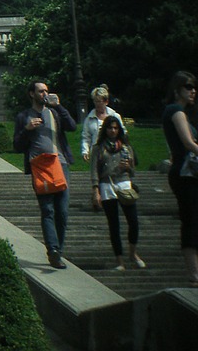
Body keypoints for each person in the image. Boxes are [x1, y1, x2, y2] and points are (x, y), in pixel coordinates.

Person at [13, 80, 78, 269]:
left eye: (46, 91)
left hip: (60, 164)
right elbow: (16, 145)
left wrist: (59, 105)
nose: (45, 94)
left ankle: (59, 249)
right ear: (32, 94)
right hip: (39, 167)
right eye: (41, 91)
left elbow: (72, 126)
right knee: (48, 210)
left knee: (63, 212)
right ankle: (53, 250)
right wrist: (27, 130)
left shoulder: (55, 113)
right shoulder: (24, 116)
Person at [91, 115, 145, 271]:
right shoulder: (98, 147)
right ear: (105, 130)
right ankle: (119, 260)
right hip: (107, 185)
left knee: (133, 221)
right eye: (110, 128)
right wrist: (96, 190)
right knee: (114, 225)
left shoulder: (126, 147)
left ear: (119, 129)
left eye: (115, 128)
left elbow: (133, 171)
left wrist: (127, 167)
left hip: (124, 183)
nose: (112, 131)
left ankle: (133, 253)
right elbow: (94, 170)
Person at [161, 70, 198, 285]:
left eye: (194, 87)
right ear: (177, 90)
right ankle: (194, 273)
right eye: (188, 87)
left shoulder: (178, 111)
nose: (193, 92)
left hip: (186, 173)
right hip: (186, 174)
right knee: (191, 220)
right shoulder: (175, 110)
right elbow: (188, 143)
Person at [80, 84, 123, 162]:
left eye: (99, 101)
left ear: (106, 101)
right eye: (95, 101)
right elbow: (86, 137)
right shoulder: (89, 119)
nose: (97, 104)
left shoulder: (115, 116)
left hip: (114, 153)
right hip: (97, 155)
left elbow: (123, 134)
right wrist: (85, 151)